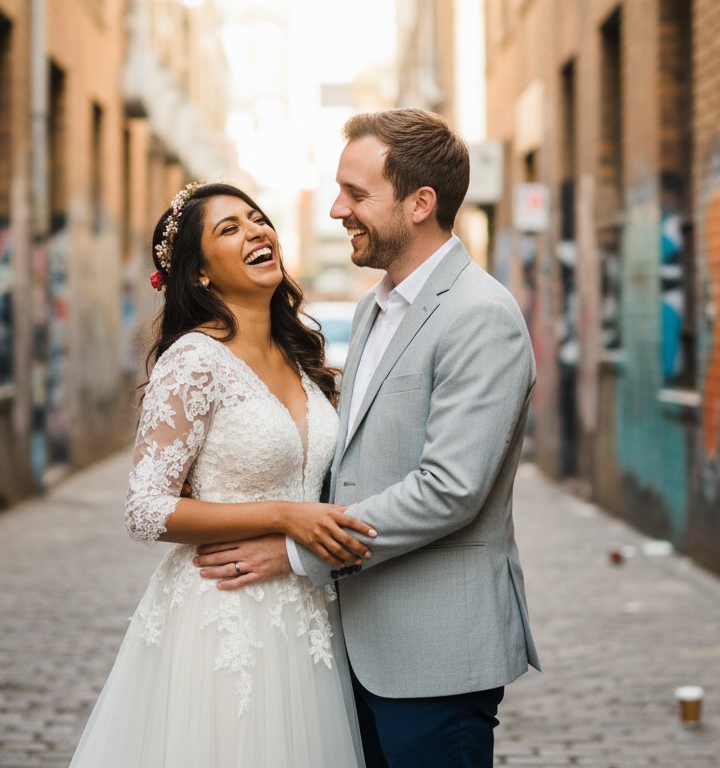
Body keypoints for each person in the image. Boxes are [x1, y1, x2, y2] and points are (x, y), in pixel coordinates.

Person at [192, 108, 540, 767]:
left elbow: (450, 490)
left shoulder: (480, 315)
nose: (335, 210)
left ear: (420, 204)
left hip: (436, 657)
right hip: (353, 644)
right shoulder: (373, 305)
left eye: (355, 194)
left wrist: (296, 553)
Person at [68, 182, 372, 767]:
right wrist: (285, 516)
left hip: (307, 614)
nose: (257, 231)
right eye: (229, 228)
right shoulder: (194, 361)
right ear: (201, 274)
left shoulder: (301, 358)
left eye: (258, 219)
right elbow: (145, 508)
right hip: (223, 613)